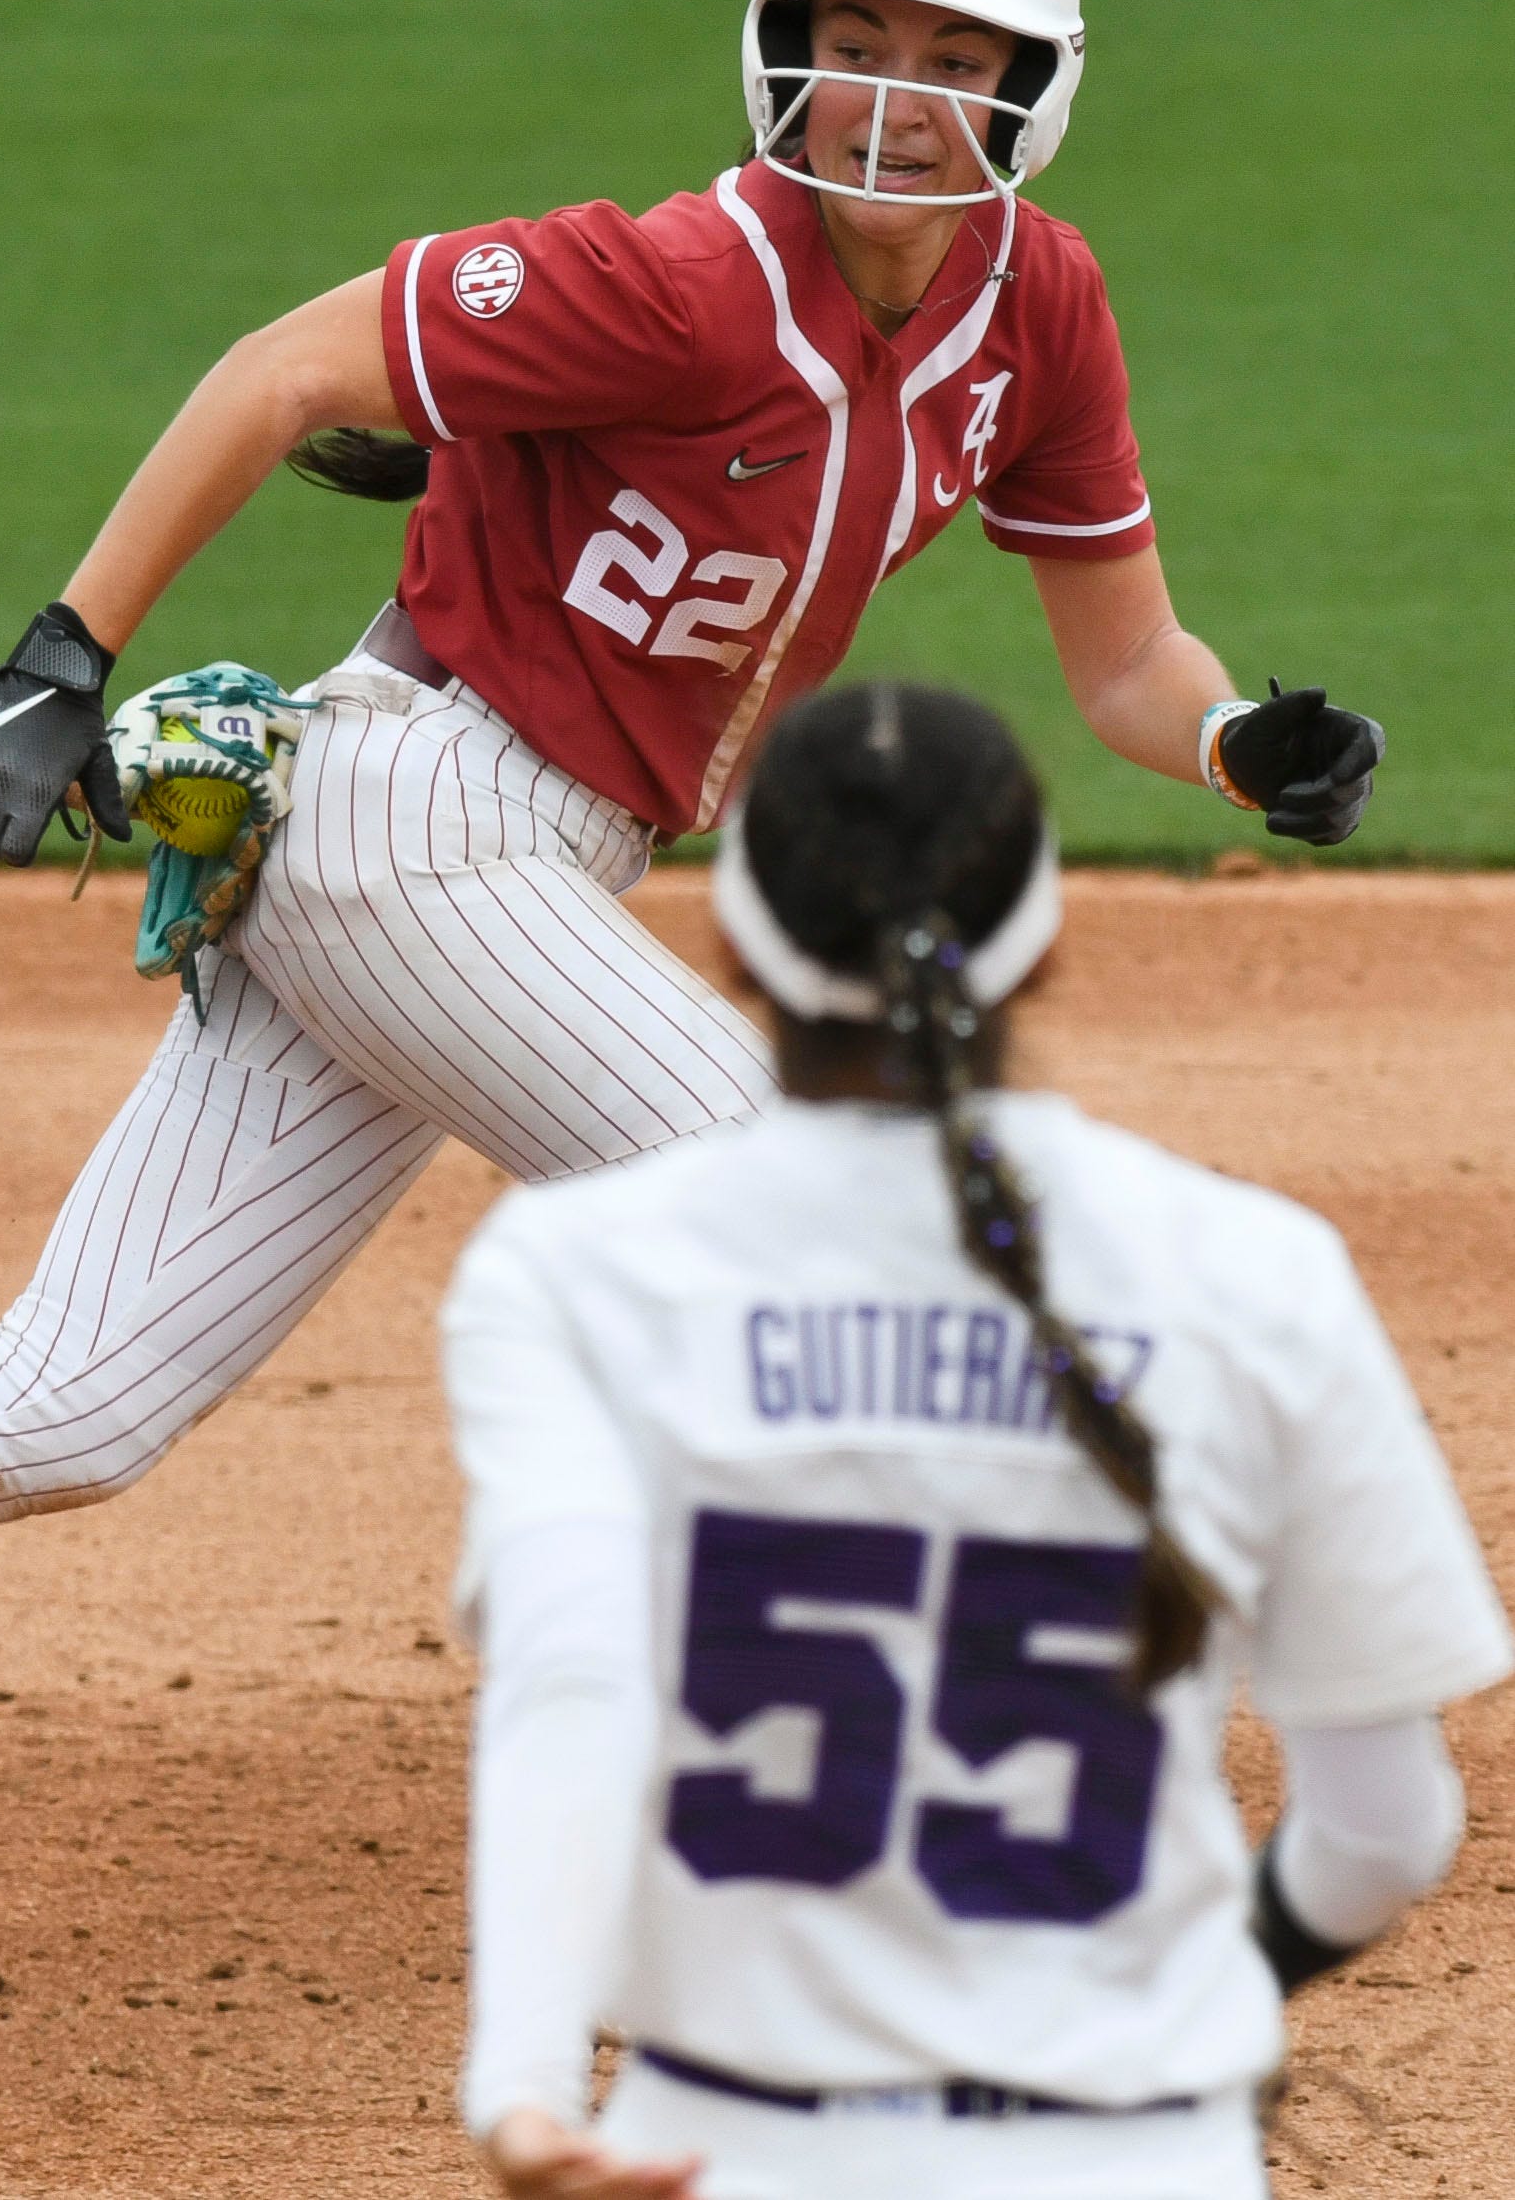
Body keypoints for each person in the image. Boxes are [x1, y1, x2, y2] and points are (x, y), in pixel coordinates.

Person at [0, 0, 1390, 1776]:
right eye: (855, 42)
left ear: (1031, 89)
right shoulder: (671, 277)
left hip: (507, 874)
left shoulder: (1033, 309)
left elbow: (1128, 659)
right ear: (784, 46)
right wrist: (66, 650)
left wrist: (1232, 747)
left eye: (950, 60)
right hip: (407, 818)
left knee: (64, 1410)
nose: (890, 97)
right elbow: (282, 371)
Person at [439, 680, 1505, 2200]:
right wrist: (1211, 1991)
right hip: (1141, 2158)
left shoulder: (571, 1269)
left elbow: (573, 1670)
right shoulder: (1252, 1272)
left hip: (726, 2149)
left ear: (739, 951)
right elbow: (1387, 1832)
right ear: (1048, 947)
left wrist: (526, 2089)